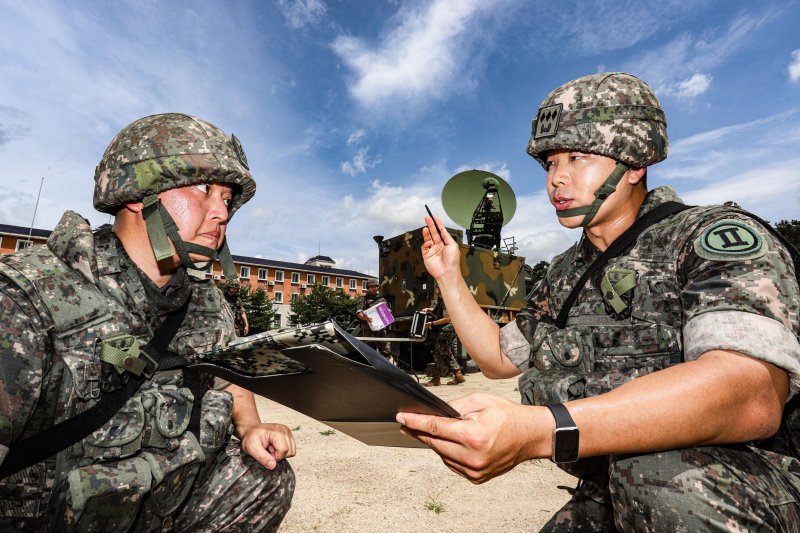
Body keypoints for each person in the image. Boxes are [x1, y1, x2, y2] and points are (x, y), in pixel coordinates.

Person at [397, 73, 800, 530]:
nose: (557, 179)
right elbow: (496, 360)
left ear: (635, 164)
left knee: (660, 479)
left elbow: (752, 392)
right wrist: (450, 277)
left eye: (579, 157)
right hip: (616, 487)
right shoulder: (564, 274)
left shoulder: (704, 238)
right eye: (550, 163)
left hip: (739, 483)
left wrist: (542, 430)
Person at [0, 113, 296, 531]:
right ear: (141, 193)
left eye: (227, 199)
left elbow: (229, 376)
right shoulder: (29, 296)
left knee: (262, 478)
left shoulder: (206, 302)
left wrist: (251, 426)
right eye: (204, 191)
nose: (222, 212)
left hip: (154, 507)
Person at [421, 285, 466, 386]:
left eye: (438, 290)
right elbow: (437, 310)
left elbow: (447, 318)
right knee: (444, 352)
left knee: (439, 353)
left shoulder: (446, 301)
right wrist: (429, 309)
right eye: (436, 290)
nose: (437, 292)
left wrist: (432, 324)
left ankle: (437, 379)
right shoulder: (441, 301)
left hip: (446, 331)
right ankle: (457, 375)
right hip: (445, 331)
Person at [355, 278, 394, 362]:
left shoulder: (382, 300)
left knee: (385, 354)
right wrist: (366, 318)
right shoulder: (363, 300)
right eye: (371, 286)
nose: (373, 288)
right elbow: (359, 314)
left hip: (382, 332)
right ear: (368, 288)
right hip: (369, 332)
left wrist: (389, 314)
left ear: (378, 287)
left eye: (375, 286)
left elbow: (388, 313)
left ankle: (385, 372)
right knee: (370, 355)